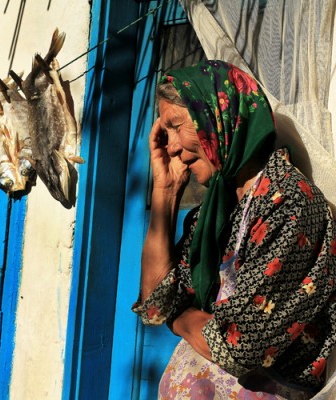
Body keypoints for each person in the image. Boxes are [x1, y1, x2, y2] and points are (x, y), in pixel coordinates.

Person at [132, 60, 336, 399]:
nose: (170, 147)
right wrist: (164, 193)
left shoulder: (287, 202)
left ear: (217, 117)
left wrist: (180, 317)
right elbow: (155, 304)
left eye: (176, 126)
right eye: (164, 134)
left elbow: (235, 345)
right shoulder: (217, 214)